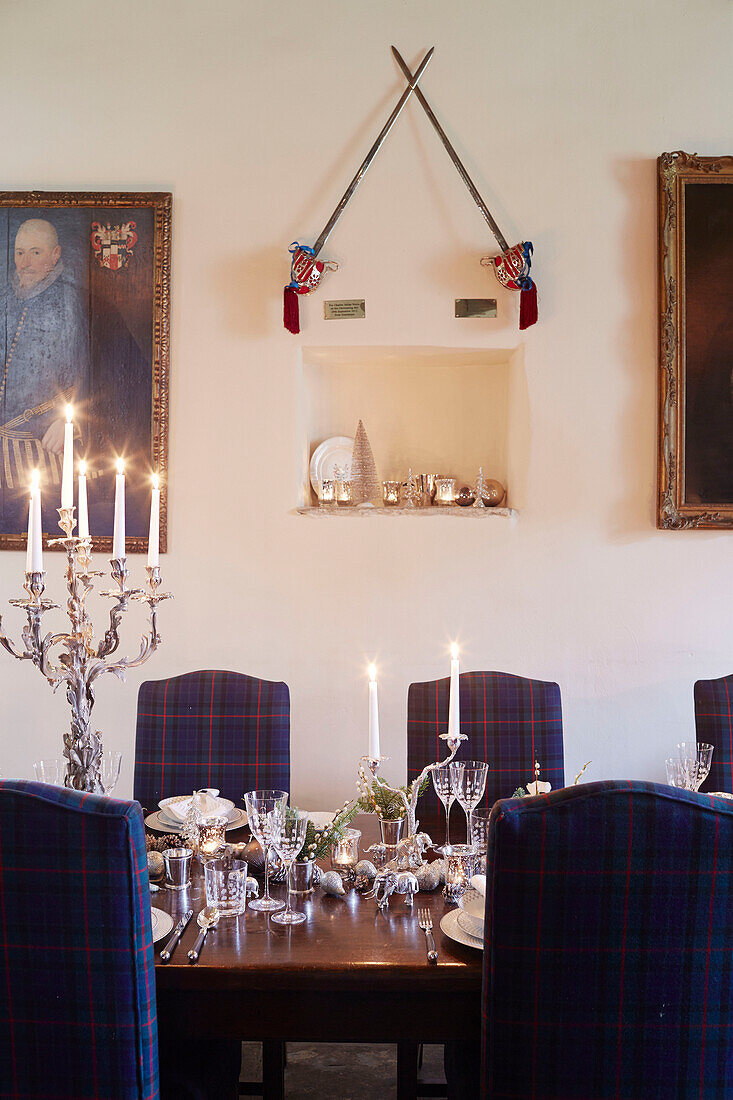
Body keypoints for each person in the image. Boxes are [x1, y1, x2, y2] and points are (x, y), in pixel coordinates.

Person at [0, 217, 90, 527]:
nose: (24, 262)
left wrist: (71, 420)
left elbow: (89, 375)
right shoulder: (6, 299)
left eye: (35, 253)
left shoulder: (69, 299)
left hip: (44, 448)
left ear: (55, 255)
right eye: (19, 252)